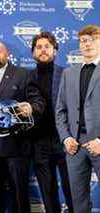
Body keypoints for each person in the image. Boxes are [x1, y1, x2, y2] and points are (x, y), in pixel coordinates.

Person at [0, 41, 44, 213]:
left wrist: (31, 108)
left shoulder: (24, 74)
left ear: (7, 54)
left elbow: (38, 102)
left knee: (19, 197)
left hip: (16, 148)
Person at [55, 24, 100, 213]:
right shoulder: (69, 73)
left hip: (99, 142)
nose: (87, 44)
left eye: (92, 39)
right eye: (83, 40)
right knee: (79, 202)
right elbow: (60, 110)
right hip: (74, 146)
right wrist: (66, 138)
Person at [30, 32, 73, 213]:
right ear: (33, 53)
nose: (43, 50)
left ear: (55, 50)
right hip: (39, 143)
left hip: (64, 141)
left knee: (71, 190)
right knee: (48, 193)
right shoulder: (27, 77)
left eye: (47, 46)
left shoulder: (67, 74)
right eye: (38, 47)